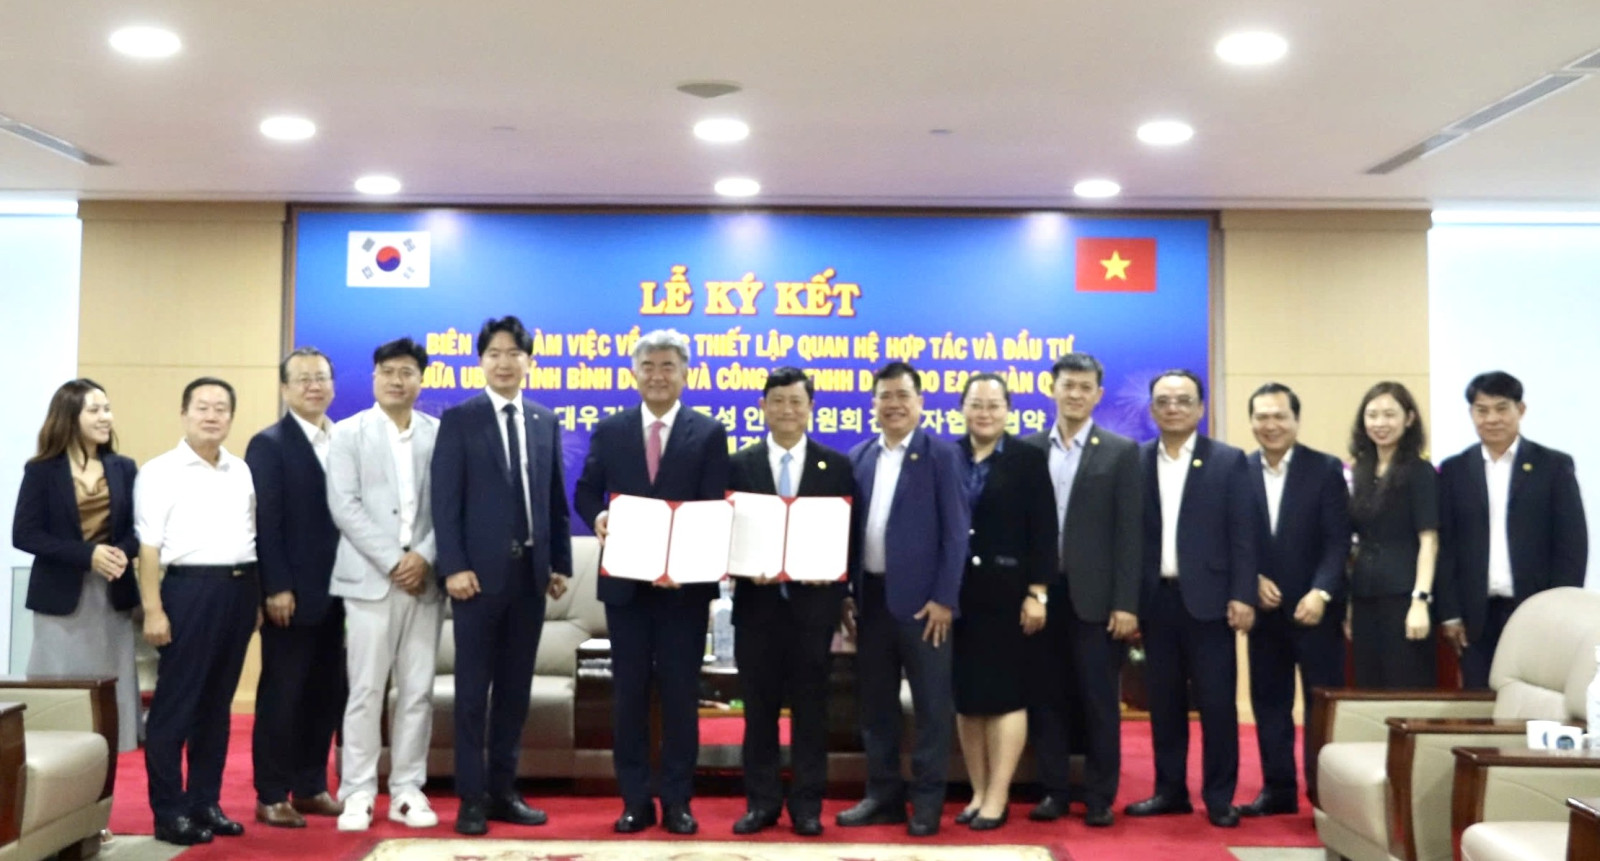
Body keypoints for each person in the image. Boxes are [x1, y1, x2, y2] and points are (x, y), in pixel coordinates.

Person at [575, 328, 730, 836]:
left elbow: (713, 507)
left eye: (668, 366)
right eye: (648, 366)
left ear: (686, 375)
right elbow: (586, 493)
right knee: (630, 696)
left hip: (684, 592)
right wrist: (598, 517)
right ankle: (635, 801)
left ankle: (678, 801)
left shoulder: (708, 433)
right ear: (634, 374)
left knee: (682, 696)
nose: (658, 375)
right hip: (626, 588)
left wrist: (683, 564)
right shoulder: (611, 430)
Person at [432, 316, 573, 835]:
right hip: (475, 581)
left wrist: (559, 563)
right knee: (472, 695)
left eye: (514, 353)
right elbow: (444, 502)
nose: (504, 362)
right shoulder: (460, 420)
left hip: (529, 578)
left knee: (514, 694)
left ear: (529, 361)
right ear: (481, 361)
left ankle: (503, 791)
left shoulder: (543, 420)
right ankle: (471, 799)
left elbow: (554, 498)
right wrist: (454, 566)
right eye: (494, 353)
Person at [836, 361, 969, 838]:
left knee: (932, 708)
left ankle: (928, 803)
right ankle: (883, 797)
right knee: (876, 707)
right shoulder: (859, 456)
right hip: (871, 602)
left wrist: (945, 599)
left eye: (902, 396)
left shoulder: (942, 455)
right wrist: (846, 592)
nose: (893, 404)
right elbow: (850, 532)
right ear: (873, 404)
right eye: (885, 396)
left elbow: (956, 534)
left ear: (920, 402)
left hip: (925, 608)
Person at [726, 366, 854, 838]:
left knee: (811, 711)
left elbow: (849, 538)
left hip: (812, 612)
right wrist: (740, 564)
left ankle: (807, 806)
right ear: (762, 407)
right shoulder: (738, 465)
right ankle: (761, 803)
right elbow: (725, 532)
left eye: (796, 401)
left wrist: (834, 580)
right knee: (758, 712)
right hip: (756, 609)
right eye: (777, 401)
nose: (786, 410)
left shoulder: (835, 466)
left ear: (810, 408)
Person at [1126, 370, 1255, 829]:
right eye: (1164, 400)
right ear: (1152, 409)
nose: (1173, 408)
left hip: (1211, 601)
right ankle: (1170, 791)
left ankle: (1219, 798)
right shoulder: (1137, 459)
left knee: (1217, 704)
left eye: (1183, 400)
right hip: (1156, 600)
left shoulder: (1228, 461)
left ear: (1200, 408)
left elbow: (1244, 533)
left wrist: (1243, 594)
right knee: (1164, 704)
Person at [326, 337, 444, 830]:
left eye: (407, 373)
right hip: (369, 580)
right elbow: (344, 506)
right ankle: (357, 791)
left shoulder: (439, 434)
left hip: (425, 582)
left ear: (421, 380)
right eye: (389, 372)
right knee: (366, 690)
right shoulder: (347, 433)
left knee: (417, 692)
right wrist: (396, 562)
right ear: (374, 377)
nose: (398, 381)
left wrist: (424, 557)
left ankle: (407, 789)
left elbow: (450, 506)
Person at [135, 377, 259, 846]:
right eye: (202, 407)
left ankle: (205, 802)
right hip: (188, 592)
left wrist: (255, 599)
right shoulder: (160, 471)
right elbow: (148, 548)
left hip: (239, 591)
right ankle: (169, 812)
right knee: (175, 706)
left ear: (231, 416)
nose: (212, 415)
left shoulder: (240, 469)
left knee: (215, 707)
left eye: (221, 408)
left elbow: (250, 535)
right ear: (184, 413)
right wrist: (153, 610)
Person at [1022, 353, 1141, 828]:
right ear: (1051, 389)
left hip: (1097, 600)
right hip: (1041, 596)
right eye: (1067, 385)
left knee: (1098, 702)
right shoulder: (1028, 449)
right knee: (1046, 698)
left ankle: (1098, 796)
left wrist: (1126, 603)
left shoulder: (1120, 452)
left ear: (1098, 394)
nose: (1075, 394)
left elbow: (1130, 534)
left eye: (1084, 386)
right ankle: (1053, 791)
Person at [951, 373, 1056, 831]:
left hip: (1010, 595)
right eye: (976, 404)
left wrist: (1038, 592)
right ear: (962, 408)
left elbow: (1044, 530)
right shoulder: (948, 456)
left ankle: (998, 794)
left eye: (994, 405)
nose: (985, 413)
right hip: (957, 595)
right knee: (967, 698)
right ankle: (977, 791)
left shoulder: (1028, 459)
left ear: (1008, 410)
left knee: (1005, 696)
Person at [12, 379, 141, 752]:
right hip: (60, 597)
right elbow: (25, 535)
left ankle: (111, 756)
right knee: (61, 686)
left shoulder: (123, 467)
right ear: (70, 416)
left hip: (113, 594)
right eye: (95, 410)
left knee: (112, 688)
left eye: (107, 409)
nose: (106, 417)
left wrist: (122, 551)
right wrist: (88, 555)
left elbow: (138, 530)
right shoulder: (42, 471)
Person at [1436, 371, 1587, 689]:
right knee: (1478, 699)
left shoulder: (1553, 466)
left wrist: (1562, 610)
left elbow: (1572, 545)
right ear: (1471, 413)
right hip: (1475, 614)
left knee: (1533, 697)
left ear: (1521, 410)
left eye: (1501, 408)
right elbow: (1446, 546)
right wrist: (1450, 613)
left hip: (1536, 609)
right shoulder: (1454, 470)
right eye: (1482, 410)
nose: (1492, 418)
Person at [245, 347, 345, 828]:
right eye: (303, 379)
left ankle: (309, 786)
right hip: (291, 595)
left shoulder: (344, 440)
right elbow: (266, 522)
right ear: (285, 388)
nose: (313, 386)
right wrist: (276, 587)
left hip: (342, 592)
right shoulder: (269, 444)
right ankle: (271, 793)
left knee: (326, 693)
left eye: (321, 377)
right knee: (282, 695)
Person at [1242, 383, 1350, 816]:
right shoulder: (1239, 469)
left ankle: (1325, 794)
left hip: (1316, 611)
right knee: (1270, 703)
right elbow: (1233, 539)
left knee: (1322, 706)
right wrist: (1250, 580)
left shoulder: (1324, 468)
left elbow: (1338, 540)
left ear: (1296, 420)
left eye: (1279, 416)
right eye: (1262, 417)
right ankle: (1278, 790)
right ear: (1252, 422)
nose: (1270, 425)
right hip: (1264, 612)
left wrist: (1321, 591)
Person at [1347, 381, 1438, 689]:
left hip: (1404, 596)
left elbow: (1429, 541)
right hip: (1364, 595)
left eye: (1389, 414)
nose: (1380, 423)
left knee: (1405, 685)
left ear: (1409, 418)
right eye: (1372, 415)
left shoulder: (1420, 472)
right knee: (1368, 686)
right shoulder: (1360, 471)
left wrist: (1420, 601)